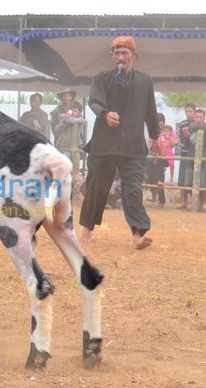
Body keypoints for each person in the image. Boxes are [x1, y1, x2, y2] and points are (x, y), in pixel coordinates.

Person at [79, 36, 159, 249]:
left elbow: (151, 111)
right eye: (117, 53)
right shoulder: (101, 78)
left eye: (125, 52)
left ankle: (138, 235)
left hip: (133, 145)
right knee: (96, 188)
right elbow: (94, 102)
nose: (121, 57)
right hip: (104, 144)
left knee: (132, 189)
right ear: (111, 56)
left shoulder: (145, 81)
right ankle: (86, 229)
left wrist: (155, 135)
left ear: (134, 55)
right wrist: (105, 114)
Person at [177, 103, 196, 208]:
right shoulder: (182, 124)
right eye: (187, 111)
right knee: (183, 177)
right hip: (185, 153)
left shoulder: (198, 124)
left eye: (190, 111)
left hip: (195, 154)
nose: (188, 113)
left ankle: (195, 201)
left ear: (194, 111)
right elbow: (180, 140)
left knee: (195, 177)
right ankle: (184, 201)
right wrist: (185, 140)